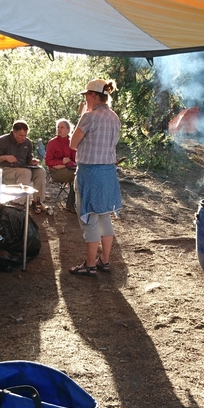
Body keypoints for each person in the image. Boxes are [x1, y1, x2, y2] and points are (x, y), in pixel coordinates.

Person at [69, 78, 122, 276]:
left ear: (93, 95)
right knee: (104, 216)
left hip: (90, 173)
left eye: (86, 96)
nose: (85, 100)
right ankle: (104, 260)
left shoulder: (89, 117)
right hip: (108, 172)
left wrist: (83, 114)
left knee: (89, 218)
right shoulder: (114, 117)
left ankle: (90, 264)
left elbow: (73, 144)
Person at [0, 120, 47, 213]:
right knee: (25, 172)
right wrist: (5, 157)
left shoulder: (27, 142)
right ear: (13, 132)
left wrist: (32, 161)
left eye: (25, 135)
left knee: (41, 171)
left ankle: (37, 201)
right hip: (6, 171)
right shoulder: (3, 141)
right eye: (20, 135)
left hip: (23, 168)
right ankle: (17, 203)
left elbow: (28, 158)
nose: (23, 138)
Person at [45, 118, 77, 212]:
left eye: (62, 127)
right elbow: (48, 161)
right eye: (58, 127)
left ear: (68, 129)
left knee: (80, 173)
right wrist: (61, 163)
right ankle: (71, 204)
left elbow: (75, 159)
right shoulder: (52, 143)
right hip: (56, 172)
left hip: (69, 169)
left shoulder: (71, 142)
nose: (59, 129)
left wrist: (65, 165)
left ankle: (74, 204)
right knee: (78, 174)